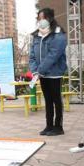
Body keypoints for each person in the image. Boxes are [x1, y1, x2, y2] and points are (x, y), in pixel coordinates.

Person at [29, 8, 67, 136]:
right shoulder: (36, 35)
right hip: (41, 74)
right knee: (48, 100)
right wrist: (35, 71)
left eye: (43, 18)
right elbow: (32, 56)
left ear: (50, 18)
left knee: (56, 100)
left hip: (54, 73)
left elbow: (53, 55)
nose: (40, 21)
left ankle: (58, 127)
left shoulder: (58, 34)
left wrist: (40, 70)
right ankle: (49, 126)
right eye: (39, 19)